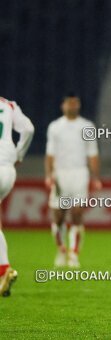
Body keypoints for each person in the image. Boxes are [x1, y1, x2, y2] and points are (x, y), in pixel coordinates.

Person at [45, 93, 101, 268]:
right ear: (63, 106)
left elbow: (92, 153)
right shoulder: (55, 127)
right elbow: (50, 154)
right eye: (70, 103)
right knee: (59, 217)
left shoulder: (87, 126)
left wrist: (95, 177)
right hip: (60, 174)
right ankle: (61, 250)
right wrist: (49, 174)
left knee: (77, 214)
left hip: (79, 174)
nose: (73, 106)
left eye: (76, 103)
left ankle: (74, 254)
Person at [0, 97, 34, 297]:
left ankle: (4, 269)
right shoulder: (9, 104)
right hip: (8, 169)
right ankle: (3, 273)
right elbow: (28, 129)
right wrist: (19, 155)